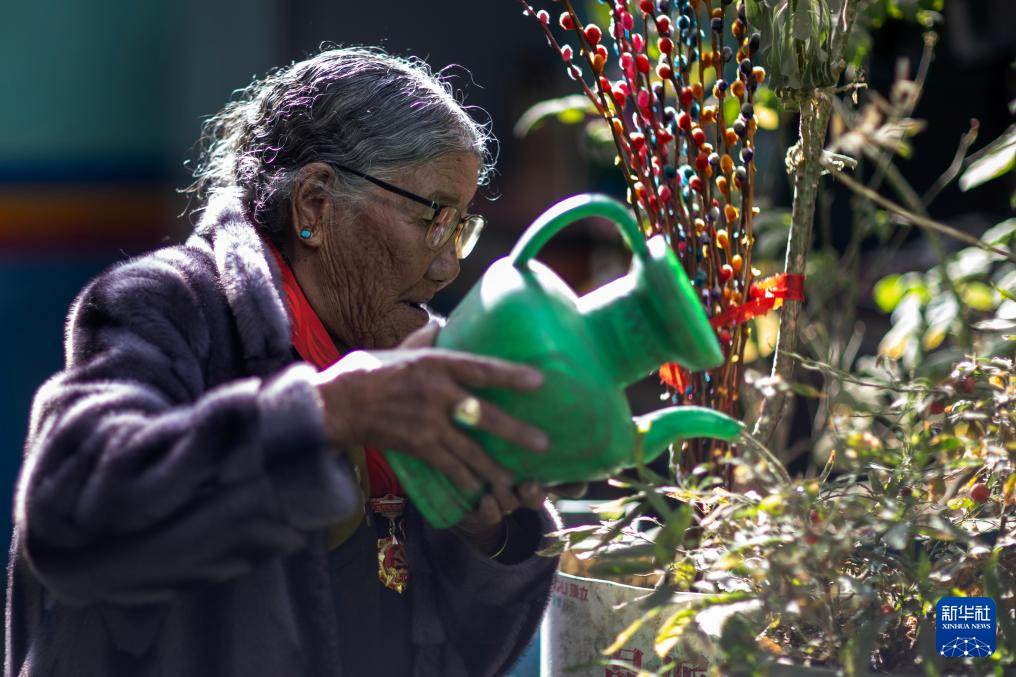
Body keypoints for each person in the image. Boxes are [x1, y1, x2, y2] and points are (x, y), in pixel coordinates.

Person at [6, 46, 575, 677]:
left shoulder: (402, 361)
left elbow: (445, 652)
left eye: (460, 227)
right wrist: (329, 413)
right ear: (314, 205)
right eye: (433, 217)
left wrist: (487, 534)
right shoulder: (167, 304)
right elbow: (69, 515)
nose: (447, 267)